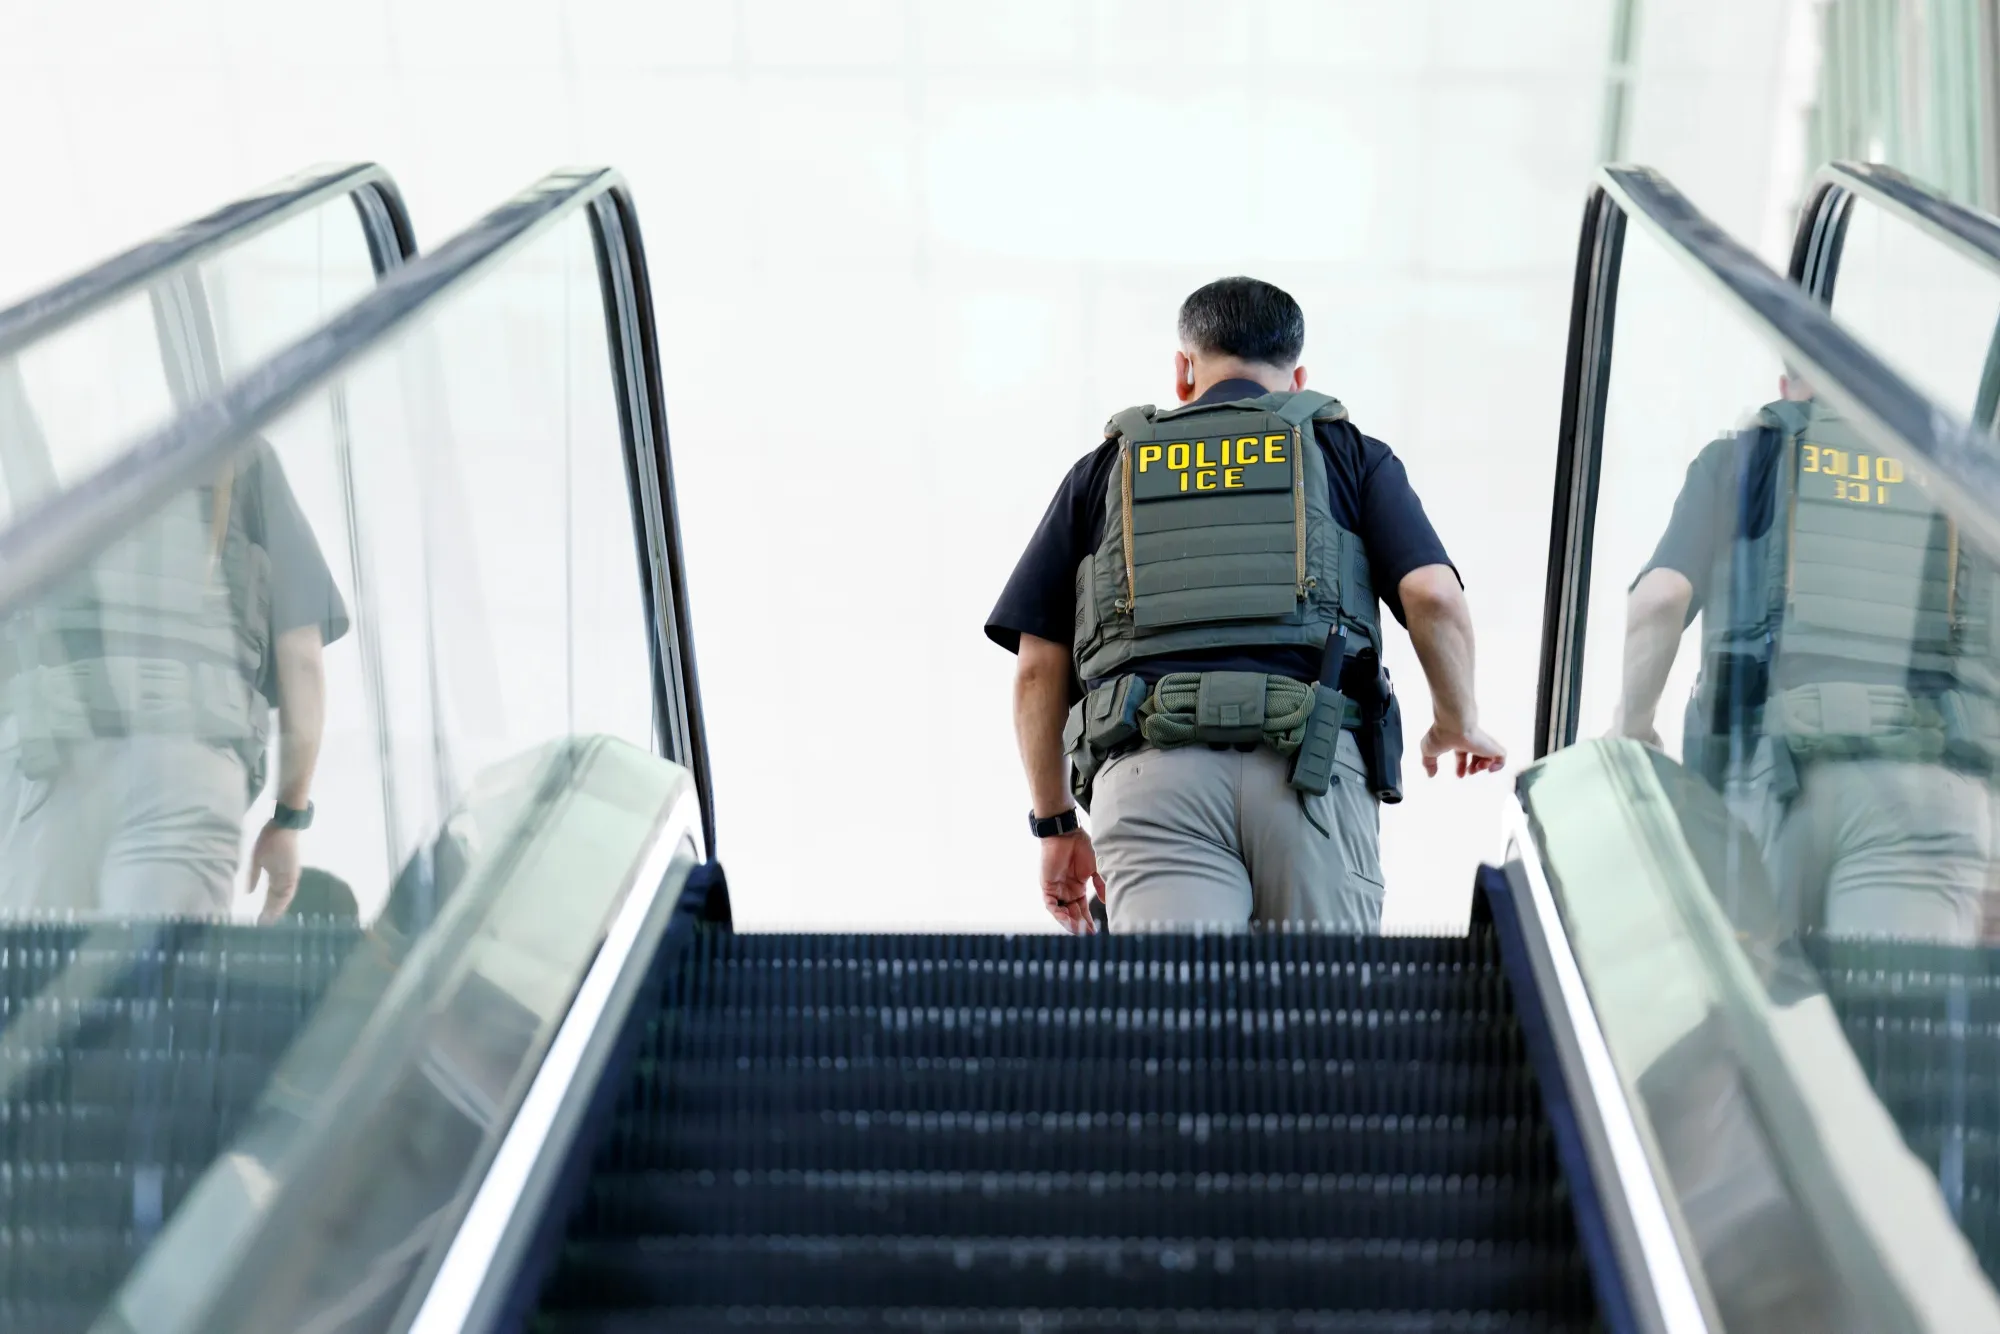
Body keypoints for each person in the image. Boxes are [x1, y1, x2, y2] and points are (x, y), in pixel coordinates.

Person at [986, 276, 1505, 934]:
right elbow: (1433, 594)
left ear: (1183, 370)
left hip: (1151, 772)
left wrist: (1056, 822)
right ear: (1297, 378)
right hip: (1309, 766)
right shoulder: (1349, 454)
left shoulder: (1104, 470)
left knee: (1176, 1024)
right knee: (1319, 1026)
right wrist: (1455, 719)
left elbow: (1037, 666)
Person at [1612, 371, 1994, 942]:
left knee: (1754, 1007)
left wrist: (1632, 728)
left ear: (1792, 381)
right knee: (1888, 1019)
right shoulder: (1962, 477)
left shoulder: (1747, 456)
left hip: (1778, 773)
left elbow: (1659, 599)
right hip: (1926, 786)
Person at [0, 434, 346, 922]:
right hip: (186, 770)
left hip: (45, 766)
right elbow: (302, 658)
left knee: (34, 985)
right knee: (160, 987)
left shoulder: (32, 446)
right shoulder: (239, 448)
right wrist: (288, 819)